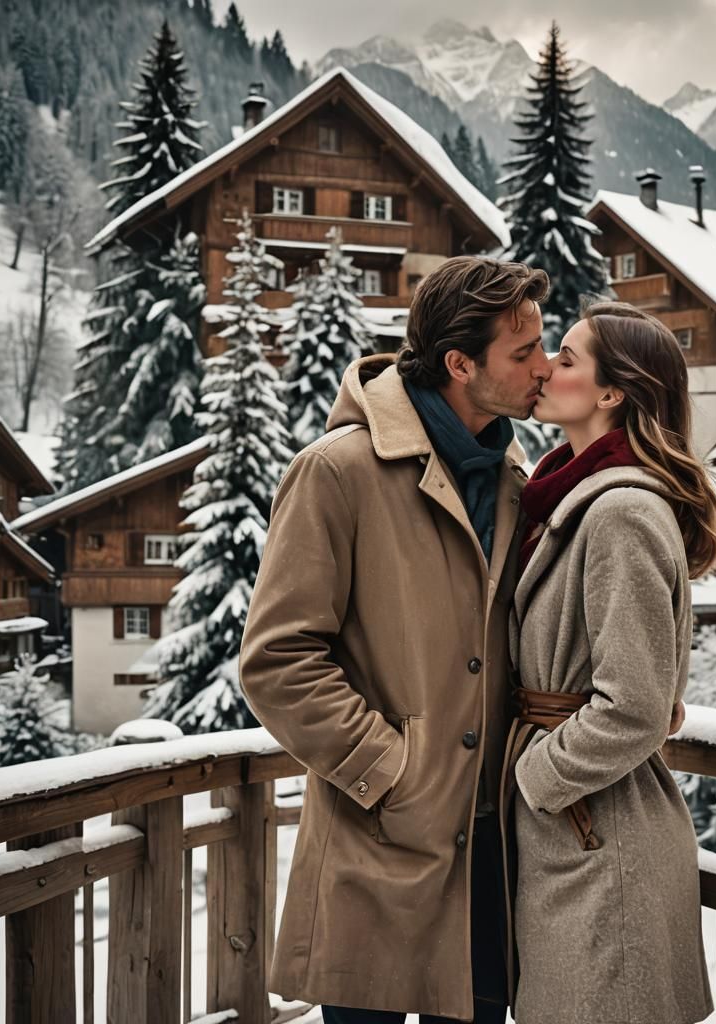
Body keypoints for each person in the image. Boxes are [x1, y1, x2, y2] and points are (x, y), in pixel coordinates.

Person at [239, 256, 551, 1023]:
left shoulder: (517, 483)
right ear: (460, 364)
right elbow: (277, 660)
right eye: (524, 352)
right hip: (372, 849)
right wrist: (389, 769)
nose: (545, 368)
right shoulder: (336, 472)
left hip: (487, 863)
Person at [503, 301, 716, 1024]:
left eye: (566, 358)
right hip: (580, 828)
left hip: (602, 833)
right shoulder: (563, 497)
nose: (545, 368)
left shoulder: (620, 511)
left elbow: (634, 707)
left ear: (612, 393)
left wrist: (534, 780)